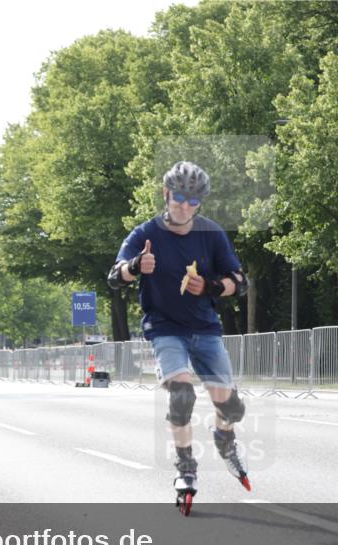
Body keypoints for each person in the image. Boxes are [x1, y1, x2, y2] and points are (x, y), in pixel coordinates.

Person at [107, 161, 251, 513]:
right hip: (165, 327)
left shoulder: (211, 233)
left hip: (205, 328)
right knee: (182, 395)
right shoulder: (145, 234)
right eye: (179, 198)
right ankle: (186, 468)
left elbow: (240, 282)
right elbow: (114, 277)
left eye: (193, 201)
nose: (185, 207)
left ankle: (224, 437)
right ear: (166, 194)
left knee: (232, 407)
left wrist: (213, 286)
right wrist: (135, 267)